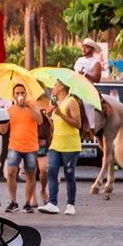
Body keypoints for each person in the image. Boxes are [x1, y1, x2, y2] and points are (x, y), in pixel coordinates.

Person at [39, 80, 82, 215]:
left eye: (56, 85)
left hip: (70, 145)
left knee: (69, 174)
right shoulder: (56, 103)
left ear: (62, 87)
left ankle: (70, 204)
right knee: (51, 171)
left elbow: (78, 124)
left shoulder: (71, 102)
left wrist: (60, 114)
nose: (54, 88)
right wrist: (49, 116)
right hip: (56, 144)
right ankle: (52, 203)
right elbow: (56, 126)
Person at [0, 84, 41, 213]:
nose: (20, 95)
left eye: (22, 92)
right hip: (14, 146)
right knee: (11, 173)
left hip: (31, 146)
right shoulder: (10, 110)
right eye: (17, 93)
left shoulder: (33, 107)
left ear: (26, 94)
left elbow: (40, 121)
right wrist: (1, 117)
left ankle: (28, 203)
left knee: (30, 175)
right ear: (14, 95)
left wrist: (30, 107)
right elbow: (3, 130)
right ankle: (13, 202)